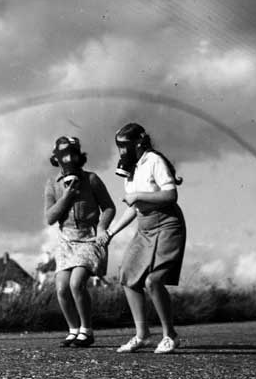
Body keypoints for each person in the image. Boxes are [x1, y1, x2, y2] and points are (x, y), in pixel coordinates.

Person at [100, 123, 186, 354]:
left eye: (125, 146)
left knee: (153, 281)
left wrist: (137, 194)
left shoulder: (154, 161)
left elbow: (170, 195)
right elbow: (134, 207)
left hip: (167, 224)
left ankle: (170, 336)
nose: (122, 152)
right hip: (145, 226)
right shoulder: (131, 168)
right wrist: (110, 233)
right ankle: (143, 335)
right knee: (128, 276)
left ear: (138, 143)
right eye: (119, 147)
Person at [44, 136, 115, 347]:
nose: (69, 160)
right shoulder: (52, 184)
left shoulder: (91, 179)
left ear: (79, 157)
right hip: (66, 240)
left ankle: (87, 330)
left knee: (77, 283)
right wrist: (66, 197)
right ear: (56, 159)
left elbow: (109, 207)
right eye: (63, 155)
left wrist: (102, 227)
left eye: (72, 154)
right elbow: (50, 218)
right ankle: (73, 330)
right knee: (61, 288)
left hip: (89, 238)